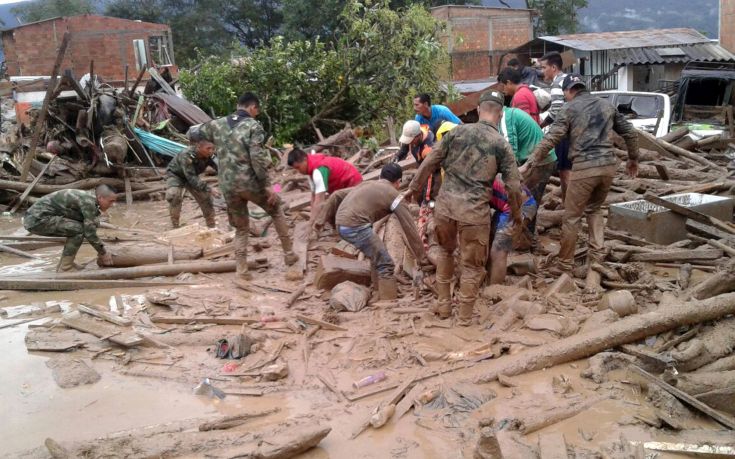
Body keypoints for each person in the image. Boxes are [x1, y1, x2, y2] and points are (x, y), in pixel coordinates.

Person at [407, 90, 522, 326]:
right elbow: (513, 186)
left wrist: (414, 187)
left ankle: (445, 306)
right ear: (500, 115)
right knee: (471, 266)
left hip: (445, 209)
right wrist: (517, 215)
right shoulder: (501, 145)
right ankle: (465, 319)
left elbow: (430, 161)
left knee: (446, 254)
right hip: (474, 213)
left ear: (479, 110)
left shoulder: (455, 133)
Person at [521, 74, 639, 285]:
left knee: (572, 217)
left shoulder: (569, 108)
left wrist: (530, 162)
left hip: (585, 168)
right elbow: (630, 132)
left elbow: (552, 138)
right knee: (594, 210)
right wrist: (633, 159)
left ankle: (565, 263)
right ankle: (597, 256)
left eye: (565, 94)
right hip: (607, 168)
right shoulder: (606, 105)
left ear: (569, 91)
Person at [199, 92, 298, 285]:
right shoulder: (254, 126)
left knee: (241, 228)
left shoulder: (216, 124)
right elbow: (257, 159)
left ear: (238, 105)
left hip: (227, 184)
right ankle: (289, 256)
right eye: (257, 111)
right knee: (276, 209)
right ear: (253, 107)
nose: (256, 114)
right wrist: (268, 186)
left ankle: (242, 270)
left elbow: (193, 133)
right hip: (250, 181)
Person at [317, 164, 430, 300]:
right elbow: (410, 228)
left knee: (376, 254)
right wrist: (423, 259)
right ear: (398, 182)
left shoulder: (367, 184)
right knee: (386, 264)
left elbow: (336, 195)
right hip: (356, 227)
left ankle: (378, 290)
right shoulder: (394, 196)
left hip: (342, 225)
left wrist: (322, 221)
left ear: (381, 176)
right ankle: (388, 301)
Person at [498, 106, 556, 250]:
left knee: (525, 201)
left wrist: (507, 176)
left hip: (538, 162)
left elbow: (510, 150)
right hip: (541, 159)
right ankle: (528, 240)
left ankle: (527, 242)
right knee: (529, 200)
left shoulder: (506, 117)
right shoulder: (510, 114)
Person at [24, 185, 116, 271]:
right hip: (37, 221)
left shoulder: (89, 197)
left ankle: (67, 263)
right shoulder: (89, 202)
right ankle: (66, 267)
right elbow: (89, 233)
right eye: (110, 201)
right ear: (100, 198)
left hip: (39, 217)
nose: (112, 205)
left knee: (84, 226)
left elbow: (88, 221)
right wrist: (103, 252)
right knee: (79, 230)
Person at [287, 148, 362, 234]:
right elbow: (314, 197)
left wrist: (310, 224)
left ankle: (352, 231)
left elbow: (319, 201)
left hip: (352, 182)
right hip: (340, 186)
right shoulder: (311, 168)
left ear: (304, 159)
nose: (298, 171)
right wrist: (312, 217)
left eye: (298, 167)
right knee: (333, 208)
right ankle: (337, 231)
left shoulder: (318, 171)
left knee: (342, 211)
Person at [395, 120, 440, 262]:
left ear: (418, 136)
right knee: (421, 199)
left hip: (434, 174)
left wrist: (427, 198)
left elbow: (430, 175)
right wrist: (397, 159)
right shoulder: (416, 132)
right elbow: (404, 148)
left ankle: (430, 238)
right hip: (422, 170)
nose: (410, 143)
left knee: (430, 203)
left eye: (411, 141)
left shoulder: (428, 148)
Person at [165, 127, 220, 228]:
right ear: (198, 147)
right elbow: (191, 179)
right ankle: (175, 225)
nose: (211, 151)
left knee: (206, 198)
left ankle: (211, 225)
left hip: (192, 175)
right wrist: (210, 188)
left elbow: (220, 169)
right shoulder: (187, 155)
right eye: (208, 148)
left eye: (213, 148)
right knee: (174, 195)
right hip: (176, 175)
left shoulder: (211, 155)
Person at [538, 51, 572, 201]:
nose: (542, 71)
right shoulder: (569, 79)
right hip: (579, 129)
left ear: (553, 67)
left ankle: (568, 204)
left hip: (565, 132)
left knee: (565, 171)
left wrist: (541, 124)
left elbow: (556, 110)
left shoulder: (557, 83)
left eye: (544, 67)